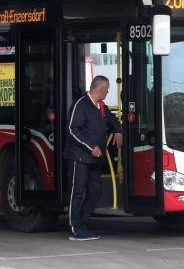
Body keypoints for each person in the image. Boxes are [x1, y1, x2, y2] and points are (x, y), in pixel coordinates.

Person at [64, 75, 122, 241]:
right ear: (101, 89)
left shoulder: (101, 106)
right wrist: (91, 147)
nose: (108, 92)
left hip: (95, 159)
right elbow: (72, 129)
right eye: (107, 89)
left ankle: (82, 224)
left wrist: (118, 131)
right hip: (79, 157)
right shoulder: (81, 104)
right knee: (77, 192)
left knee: (95, 191)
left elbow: (113, 120)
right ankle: (75, 229)